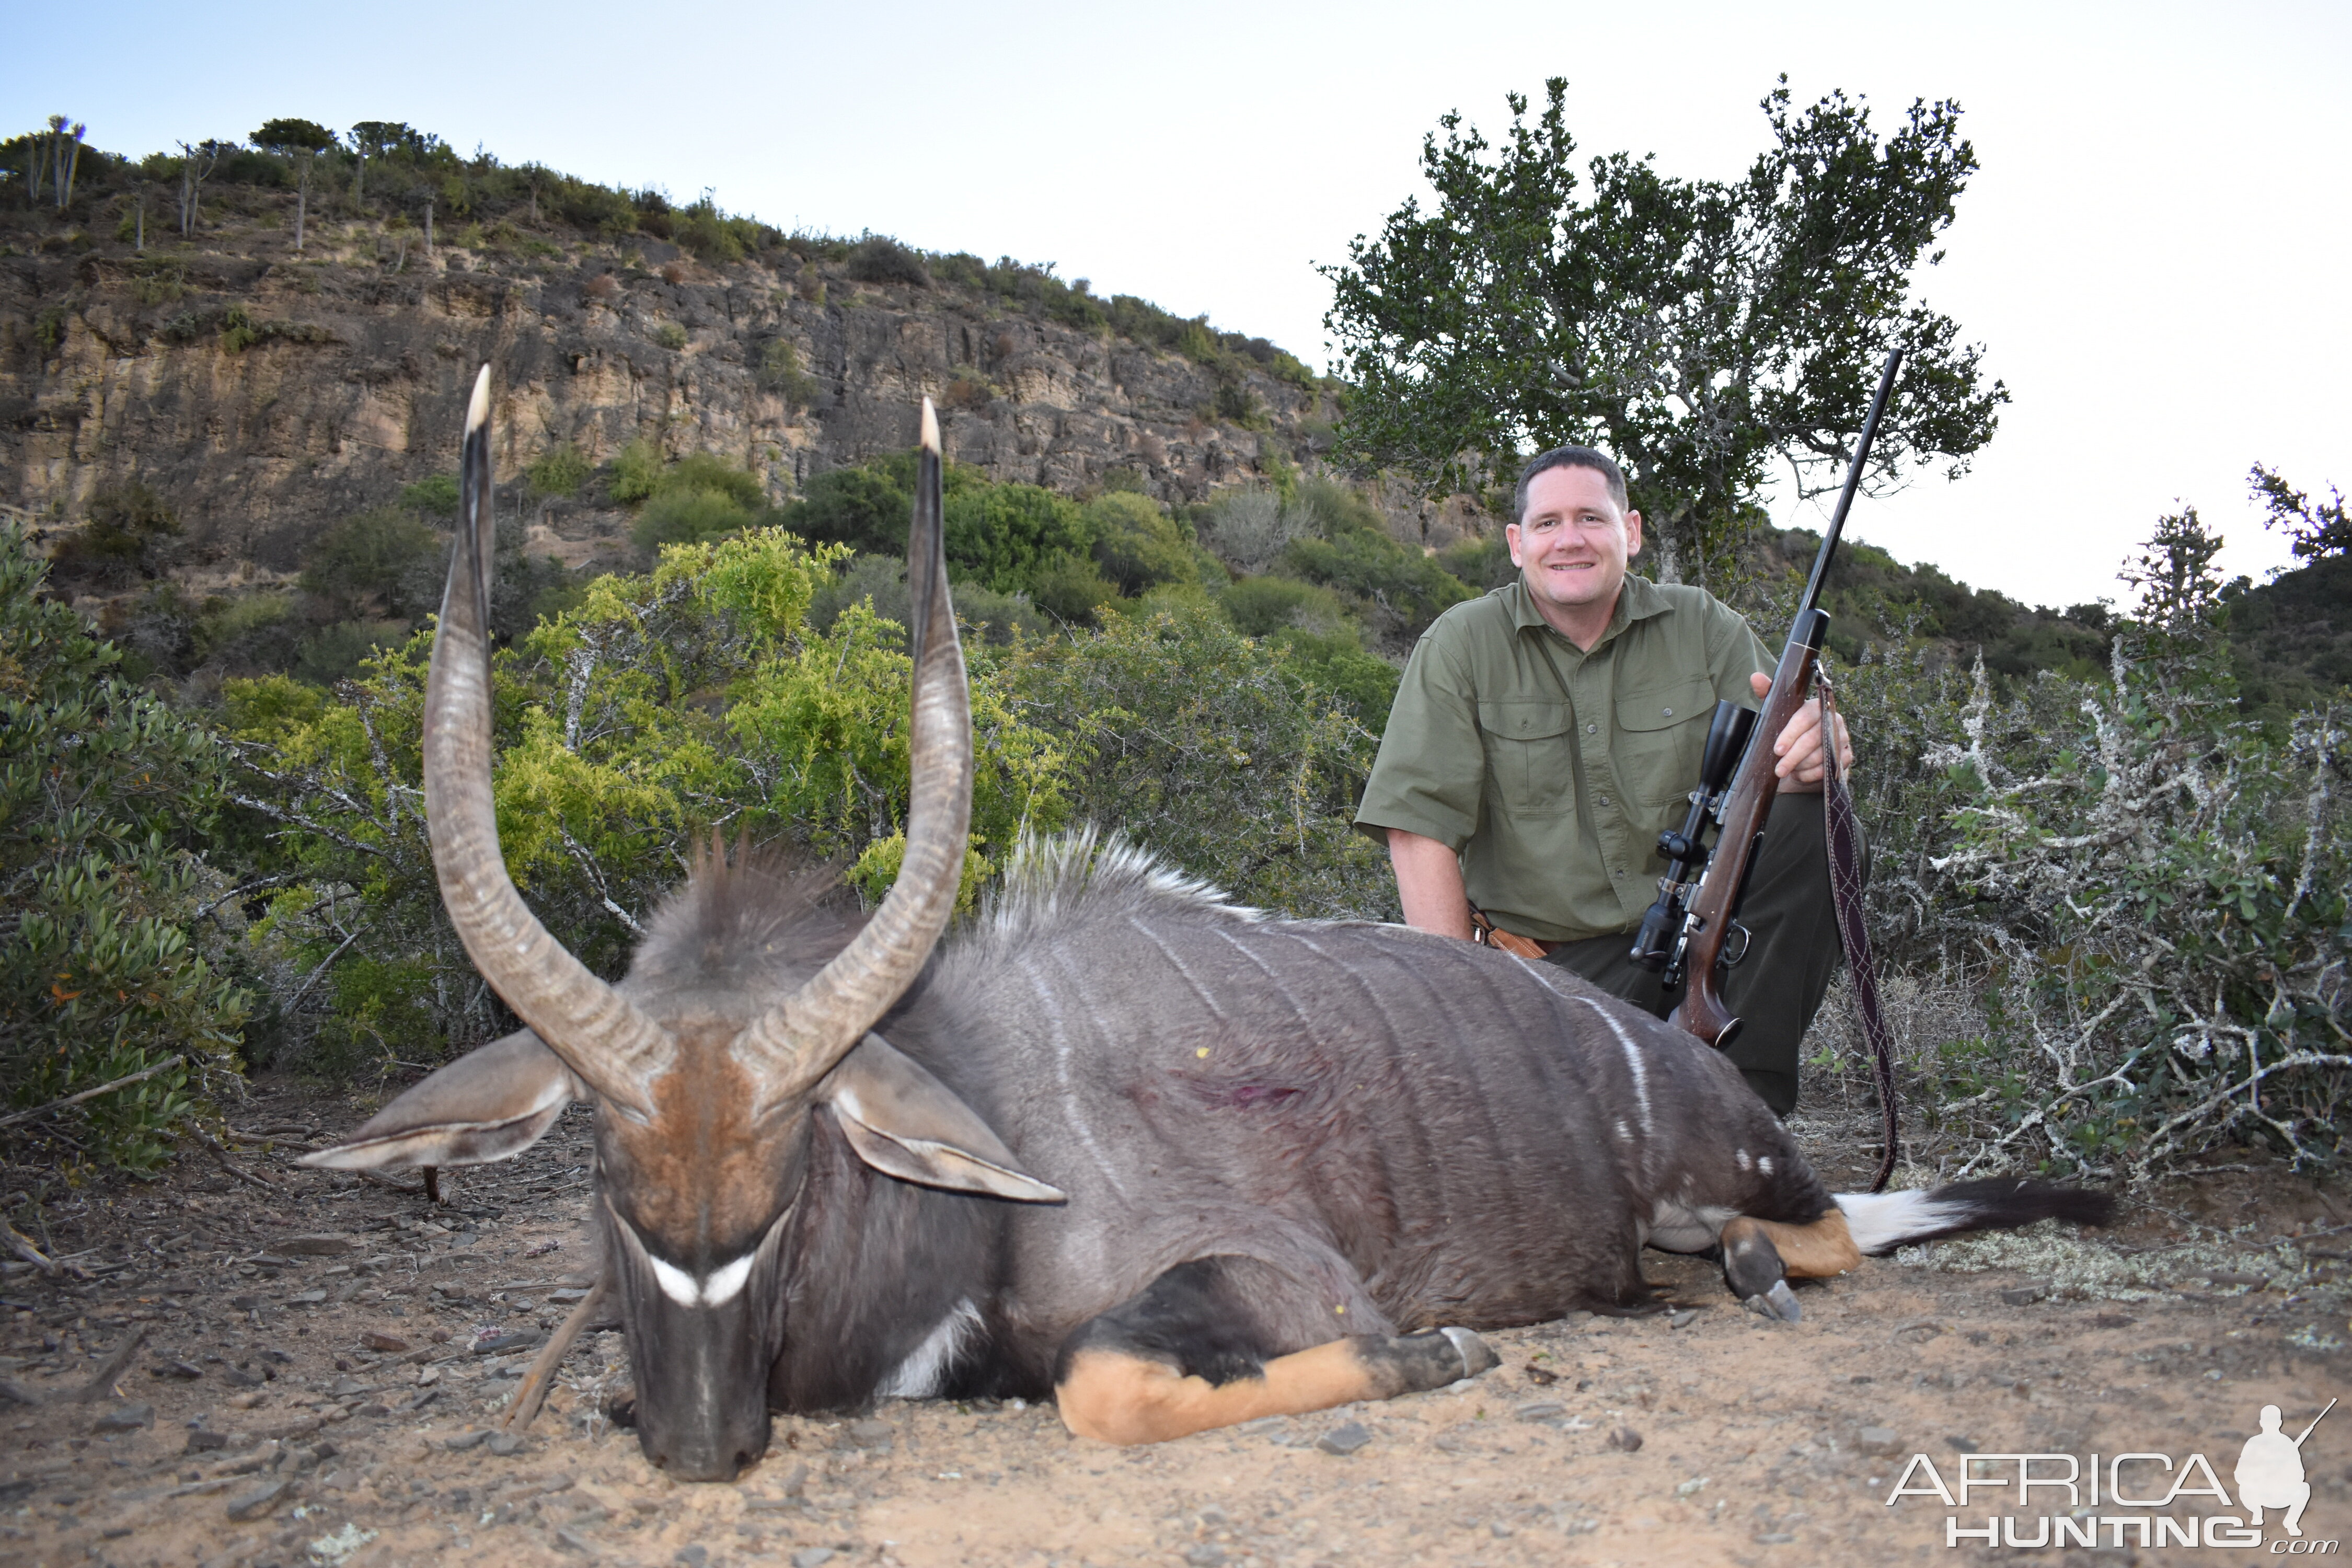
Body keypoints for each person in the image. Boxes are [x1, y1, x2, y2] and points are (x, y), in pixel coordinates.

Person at [1355, 445, 1852, 1113]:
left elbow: (1782, 783)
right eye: (1548, 523)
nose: (1570, 541)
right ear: (1516, 543)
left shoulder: (1702, 625)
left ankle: (1744, 1115)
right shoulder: (1461, 644)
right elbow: (1418, 830)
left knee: (1821, 822)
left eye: (1591, 518)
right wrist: (1463, 1018)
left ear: (1632, 532)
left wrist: (1814, 751)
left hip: (1696, 941)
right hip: (1551, 972)